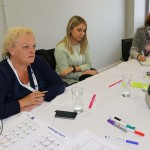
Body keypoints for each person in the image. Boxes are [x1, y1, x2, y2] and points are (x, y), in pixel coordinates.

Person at [0, 27, 65, 119]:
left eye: (33, 46)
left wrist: (39, 98)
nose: (32, 51)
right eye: (26, 47)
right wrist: (23, 102)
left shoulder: (39, 61)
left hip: (40, 115)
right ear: (12, 50)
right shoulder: (2, 73)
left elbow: (59, 84)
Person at [55, 15, 98, 86]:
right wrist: (85, 72)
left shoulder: (84, 44)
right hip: (66, 82)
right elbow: (64, 74)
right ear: (70, 29)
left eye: (84, 31)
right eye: (79, 30)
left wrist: (73, 68)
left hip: (80, 78)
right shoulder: (60, 48)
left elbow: (89, 64)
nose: (82, 34)